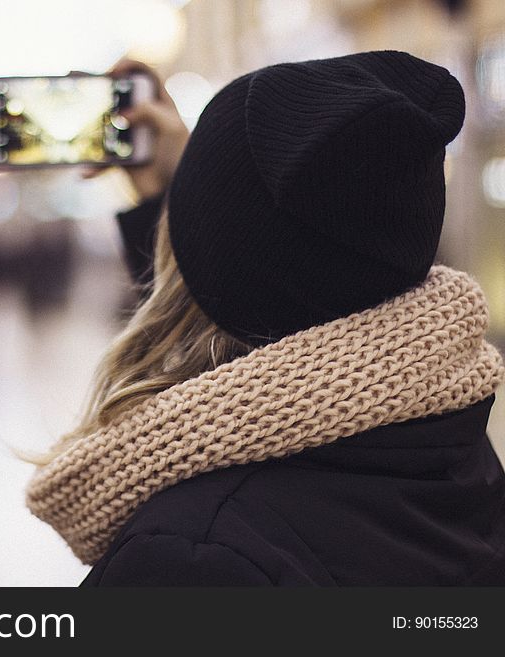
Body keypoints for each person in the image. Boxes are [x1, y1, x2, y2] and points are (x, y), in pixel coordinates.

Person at [26, 52, 505, 585]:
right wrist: (184, 196)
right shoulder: (448, 439)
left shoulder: (192, 555)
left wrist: (190, 199)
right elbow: (273, 282)